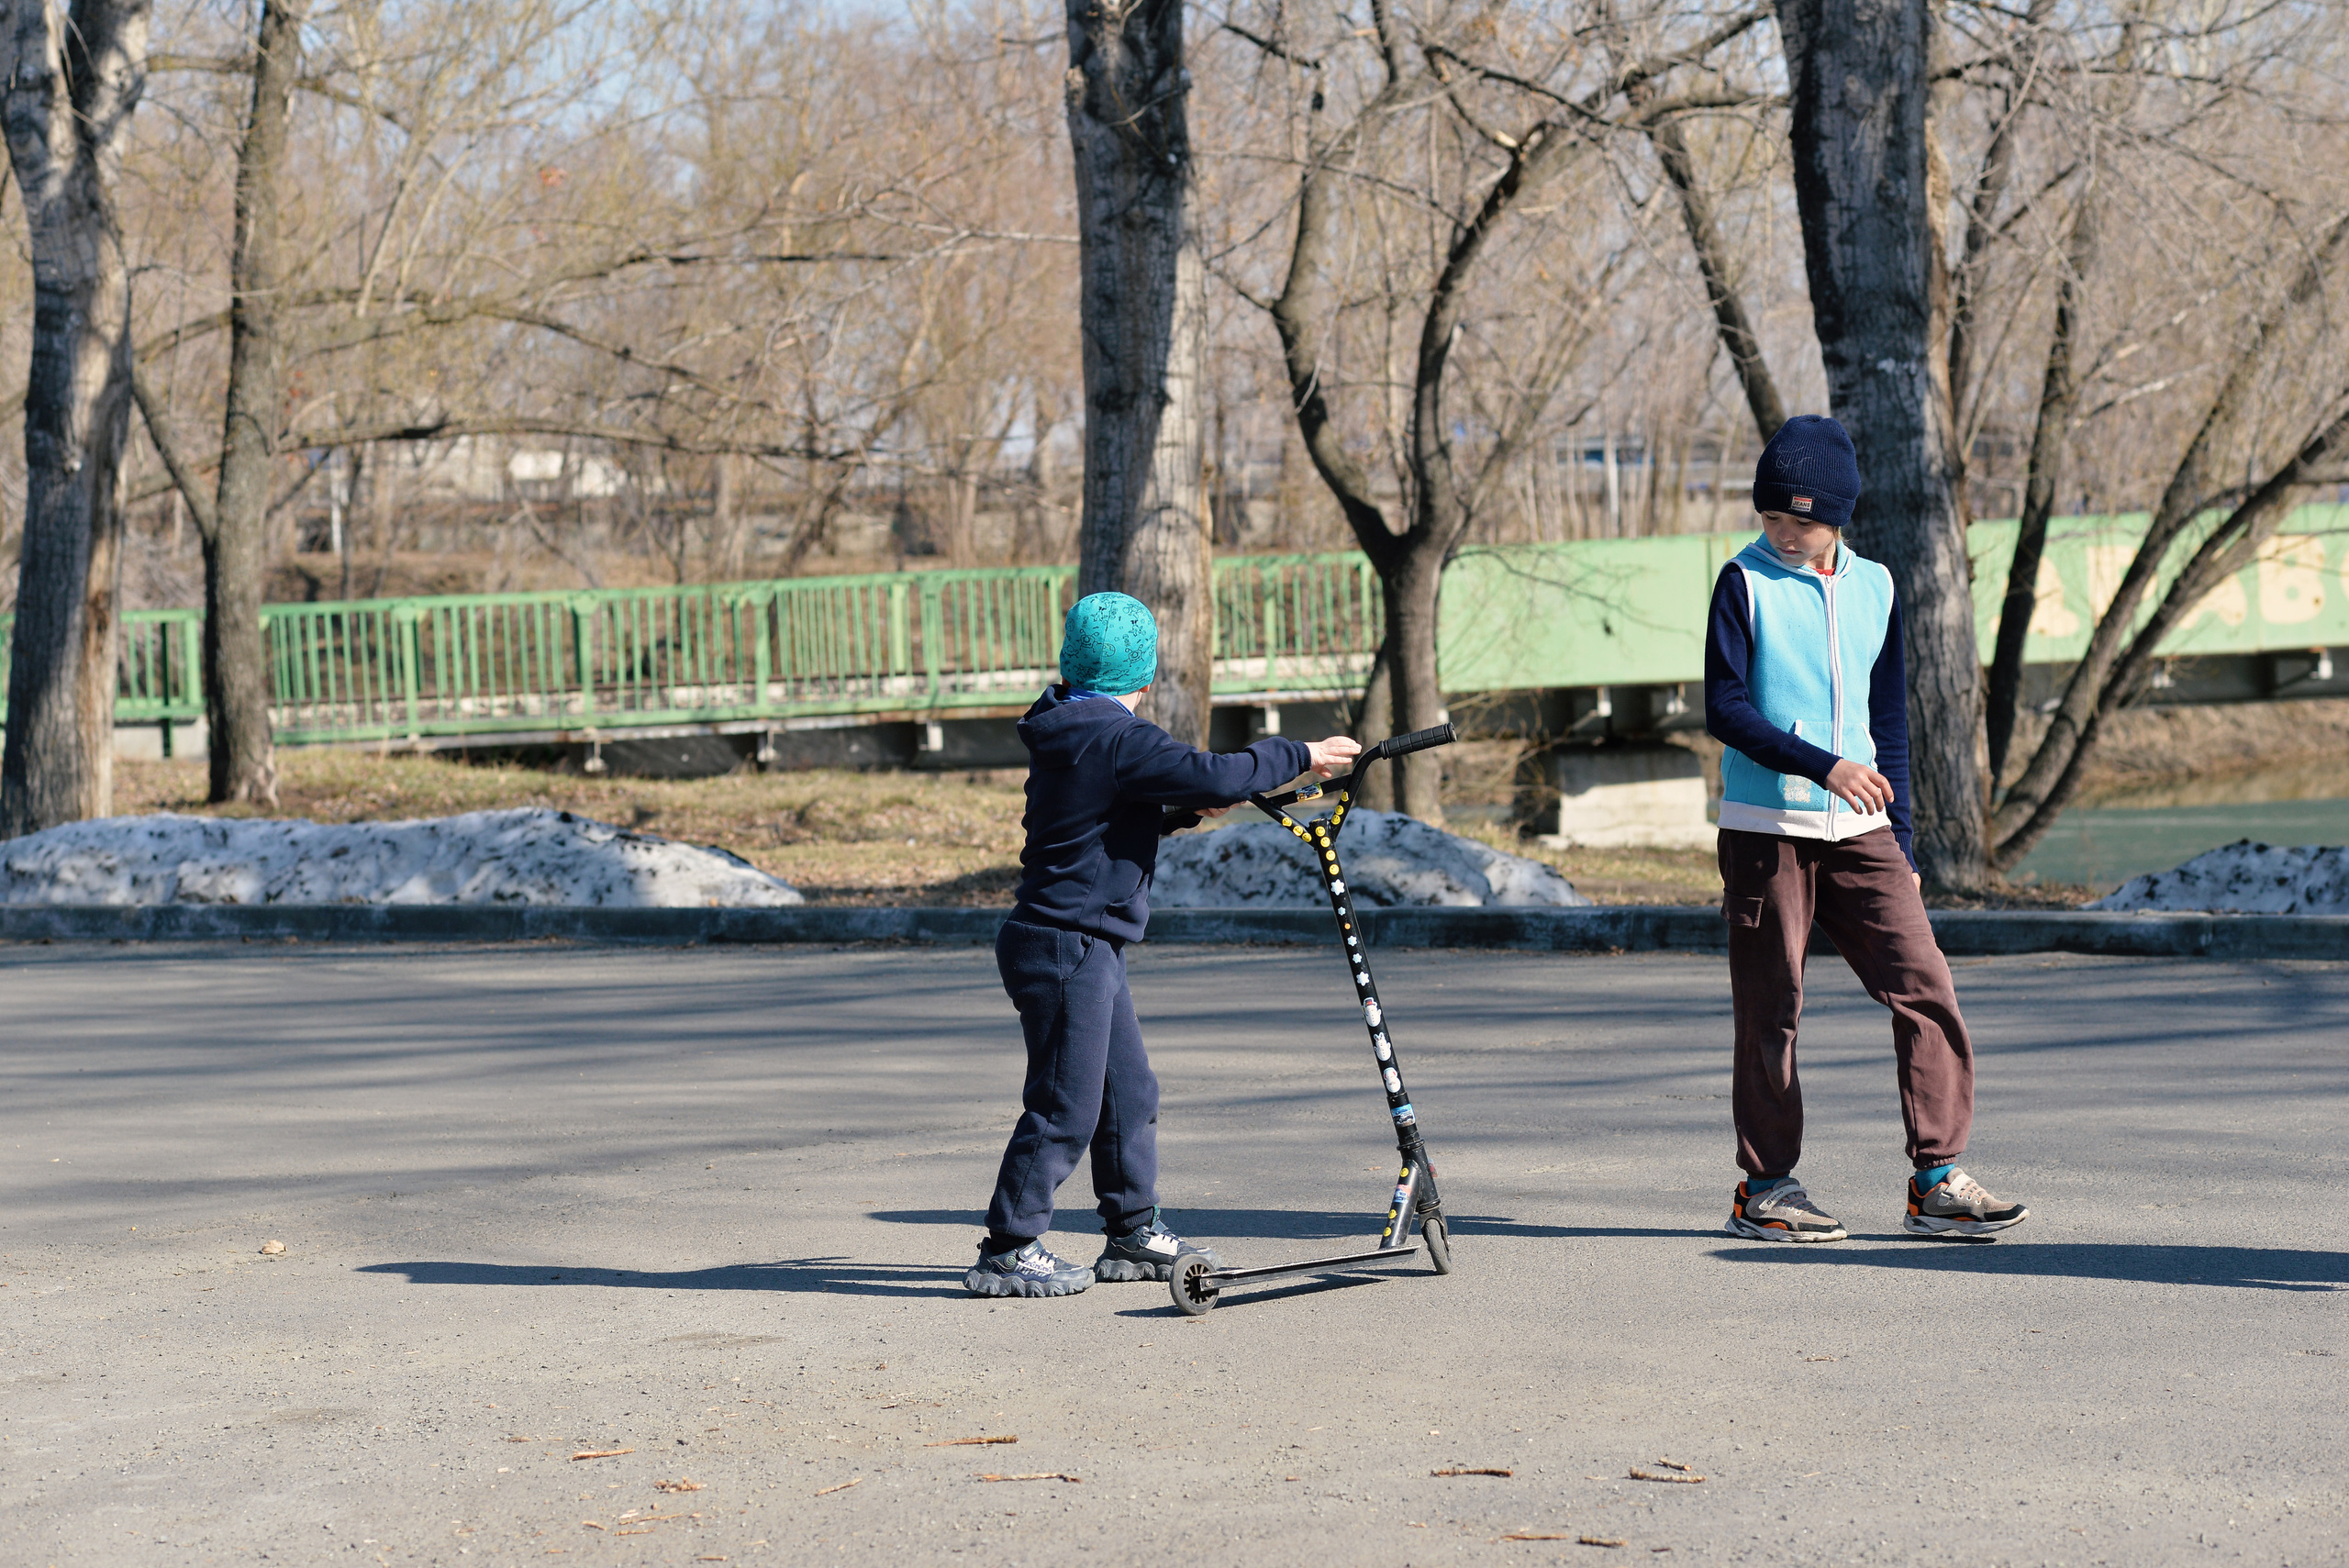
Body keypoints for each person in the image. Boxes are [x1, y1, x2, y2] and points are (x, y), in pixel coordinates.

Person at [966, 591, 1361, 1298]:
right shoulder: (1119, 737)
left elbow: (1099, 818)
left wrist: (1176, 812)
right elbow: (1215, 771)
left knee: (1128, 1090)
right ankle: (1009, 1244)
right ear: (1144, 676)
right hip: (1066, 945)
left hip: (1078, 942)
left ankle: (1132, 1228)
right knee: (1066, 1104)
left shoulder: (1068, 726)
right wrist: (1299, 754)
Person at [1705, 415, 2029, 1243]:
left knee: (1926, 986)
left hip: (1863, 826)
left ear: (1838, 517)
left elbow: (1891, 726)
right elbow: (1726, 709)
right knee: (1772, 1005)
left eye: (1799, 521)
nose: (1781, 533)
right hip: (1765, 827)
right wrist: (1822, 766)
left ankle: (1937, 1180)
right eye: (1771, 517)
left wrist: (1907, 841)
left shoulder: (1879, 587)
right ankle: (1767, 1188)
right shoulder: (1742, 584)